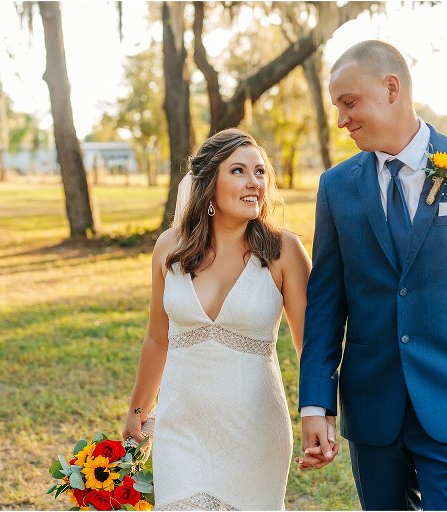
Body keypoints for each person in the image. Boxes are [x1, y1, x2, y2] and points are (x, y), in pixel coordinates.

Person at [296, 40, 447, 510]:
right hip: (372, 407)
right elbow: (326, 304)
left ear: (392, 88)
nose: (342, 118)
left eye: (350, 103)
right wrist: (316, 404)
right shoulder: (336, 187)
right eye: (337, 107)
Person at [122, 128, 318, 510]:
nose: (254, 183)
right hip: (180, 430)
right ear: (209, 183)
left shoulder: (284, 251)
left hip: (254, 432)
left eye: (260, 172)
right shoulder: (169, 248)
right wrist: (137, 412)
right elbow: (157, 339)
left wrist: (318, 416)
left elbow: (310, 345)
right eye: (239, 171)